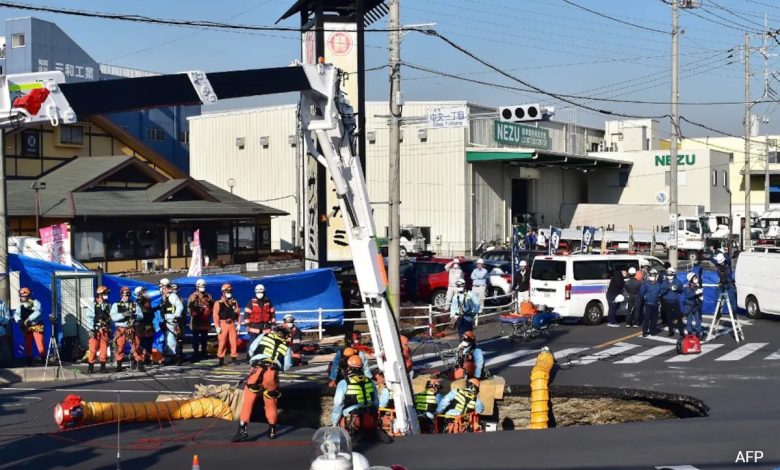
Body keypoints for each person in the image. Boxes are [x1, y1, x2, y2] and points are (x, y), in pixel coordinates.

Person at [232, 325, 293, 442]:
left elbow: (251, 349)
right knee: (271, 403)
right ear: (285, 336)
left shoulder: (264, 336)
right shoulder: (287, 347)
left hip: (257, 371)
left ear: (275, 331)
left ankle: (242, 430)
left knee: (248, 402)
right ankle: (272, 431)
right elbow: (287, 366)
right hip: (272, 374)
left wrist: (255, 360)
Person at [331, 355, 379, 437]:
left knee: (340, 413)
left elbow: (338, 403)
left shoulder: (344, 383)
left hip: (354, 420)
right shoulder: (370, 381)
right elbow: (376, 401)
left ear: (349, 368)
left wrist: (334, 422)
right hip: (370, 418)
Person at [110, 286, 143, 372]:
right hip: (121, 329)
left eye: (128, 294)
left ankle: (139, 363)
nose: (127, 296)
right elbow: (113, 317)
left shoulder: (134, 304)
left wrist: (135, 316)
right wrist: (123, 315)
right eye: (125, 294)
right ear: (121, 294)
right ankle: (119, 364)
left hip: (131, 328)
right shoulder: (116, 305)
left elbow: (141, 315)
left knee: (136, 345)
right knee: (120, 346)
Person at [12, 287, 44, 366]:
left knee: (40, 342)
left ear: (28, 295)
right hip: (27, 327)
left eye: (23, 296)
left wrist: (29, 319)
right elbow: (16, 314)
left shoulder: (36, 302)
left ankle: (43, 358)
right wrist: (19, 320)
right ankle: (29, 359)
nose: (21, 297)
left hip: (36, 325)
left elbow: (38, 312)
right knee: (27, 343)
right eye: (21, 296)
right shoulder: (20, 304)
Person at [212, 283, 240, 366]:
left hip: (232, 324)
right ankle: (221, 359)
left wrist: (238, 324)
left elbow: (238, 313)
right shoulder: (218, 303)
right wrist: (217, 326)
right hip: (223, 324)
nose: (229, 293)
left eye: (230, 291)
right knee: (222, 342)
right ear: (223, 292)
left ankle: (234, 358)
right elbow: (215, 315)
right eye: (228, 291)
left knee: (233, 341)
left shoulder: (234, 302)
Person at [86, 286, 112, 373]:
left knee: (104, 348)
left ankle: (103, 367)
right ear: (99, 294)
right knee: (93, 349)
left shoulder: (108, 305)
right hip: (95, 330)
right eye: (105, 293)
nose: (106, 295)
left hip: (105, 330)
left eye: (107, 293)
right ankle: (90, 367)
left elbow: (110, 318)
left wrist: (110, 328)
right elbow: (89, 318)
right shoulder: (92, 305)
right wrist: (91, 329)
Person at [158, 279, 184, 365]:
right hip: (167, 322)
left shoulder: (172, 296)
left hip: (173, 322)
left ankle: (174, 357)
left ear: (165, 287)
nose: (160, 288)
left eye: (161, 287)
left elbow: (179, 306)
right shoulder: (164, 297)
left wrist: (176, 316)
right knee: (168, 339)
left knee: (171, 340)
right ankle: (174, 356)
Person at [243, 284, 276, 350]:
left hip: (265, 327)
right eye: (258, 292)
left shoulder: (268, 302)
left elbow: (272, 314)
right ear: (255, 292)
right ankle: (249, 357)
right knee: (252, 344)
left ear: (264, 292)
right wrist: (247, 325)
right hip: (254, 327)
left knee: (265, 344)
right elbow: (246, 315)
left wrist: (273, 324)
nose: (259, 294)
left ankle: (263, 357)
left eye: (261, 292)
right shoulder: (251, 302)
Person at [188, 279, 213, 361]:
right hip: (196, 321)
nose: (203, 288)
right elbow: (189, 308)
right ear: (197, 287)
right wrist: (195, 311)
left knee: (204, 338)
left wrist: (209, 312)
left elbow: (212, 307)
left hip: (205, 321)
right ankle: (196, 353)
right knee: (195, 339)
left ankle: (204, 352)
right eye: (201, 286)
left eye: (204, 286)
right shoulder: (193, 296)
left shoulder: (208, 296)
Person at [133, 286, 155, 370]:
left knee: (149, 343)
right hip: (140, 326)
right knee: (140, 344)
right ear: (139, 293)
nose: (145, 292)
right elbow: (142, 313)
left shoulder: (148, 301)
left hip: (148, 325)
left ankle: (147, 359)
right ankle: (138, 361)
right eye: (143, 291)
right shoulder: (137, 303)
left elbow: (150, 312)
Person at [660, 267, 685, 337]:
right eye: (668, 275)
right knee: (669, 317)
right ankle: (671, 331)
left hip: (675, 301)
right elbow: (661, 292)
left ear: (674, 274)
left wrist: (677, 289)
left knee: (679, 317)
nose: (669, 276)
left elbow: (681, 290)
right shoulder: (664, 282)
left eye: (670, 275)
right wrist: (668, 288)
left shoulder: (678, 281)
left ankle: (681, 331)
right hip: (667, 301)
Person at [639, 269, 663, 338]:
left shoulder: (658, 285)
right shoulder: (645, 284)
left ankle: (652, 331)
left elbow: (661, 292)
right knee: (646, 318)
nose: (652, 276)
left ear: (656, 276)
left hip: (655, 303)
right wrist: (644, 297)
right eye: (650, 275)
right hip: (648, 303)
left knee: (654, 318)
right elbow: (641, 293)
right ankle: (645, 331)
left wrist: (660, 296)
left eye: (653, 275)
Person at [682, 272, 705, 338]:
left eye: (696, 277)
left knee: (698, 320)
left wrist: (700, 297)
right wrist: (696, 292)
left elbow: (698, 295)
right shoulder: (687, 287)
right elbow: (688, 296)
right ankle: (689, 332)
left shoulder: (696, 286)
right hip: (689, 306)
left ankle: (698, 333)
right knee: (689, 320)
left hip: (696, 306)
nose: (696, 279)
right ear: (691, 279)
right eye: (695, 278)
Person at [0, 300, 11, 367]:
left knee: (5, 350)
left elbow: (7, 317)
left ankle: (7, 365)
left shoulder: (2, 303)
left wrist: (1, 321)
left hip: (1, 331)